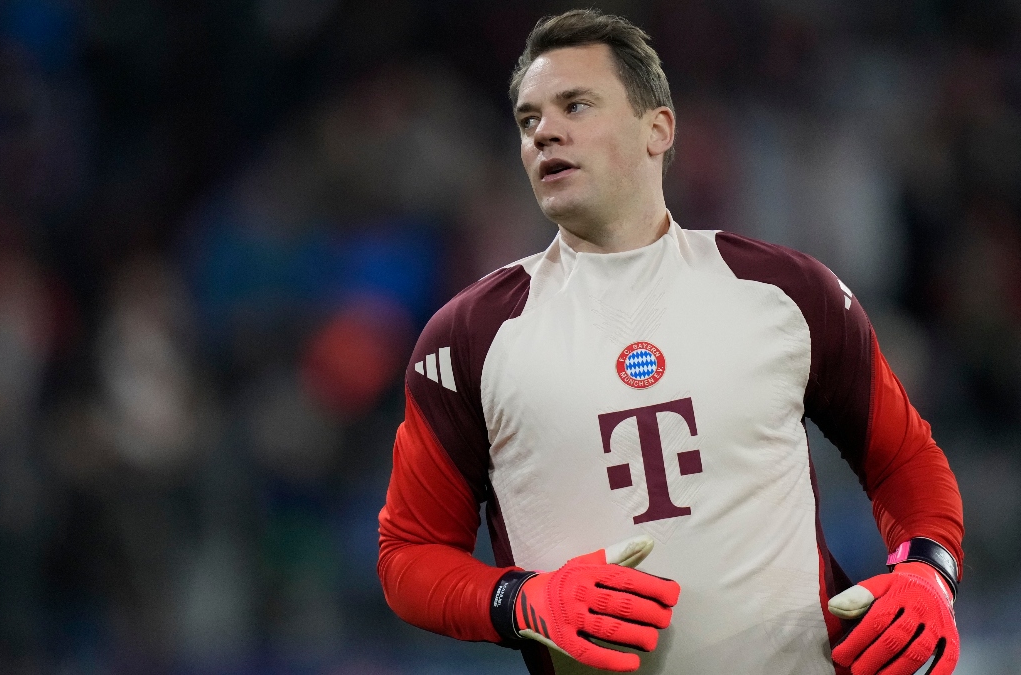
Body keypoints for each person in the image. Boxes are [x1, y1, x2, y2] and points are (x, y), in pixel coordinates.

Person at [376, 8, 963, 675]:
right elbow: (409, 554)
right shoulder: (468, 338)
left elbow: (903, 459)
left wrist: (927, 573)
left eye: (576, 105)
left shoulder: (787, 292)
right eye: (528, 119)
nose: (545, 132)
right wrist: (521, 601)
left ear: (658, 128)